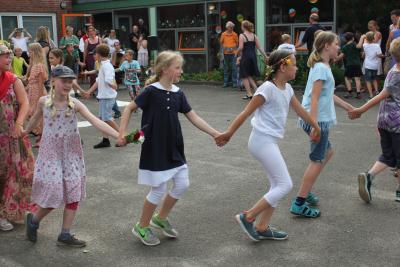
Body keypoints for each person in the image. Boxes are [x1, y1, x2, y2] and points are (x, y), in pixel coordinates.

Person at [215, 50, 320, 241]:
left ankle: (262, 227)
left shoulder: (287, 89)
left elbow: (300, 111)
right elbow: (246, 112)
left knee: (276, 185)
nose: (297, 67)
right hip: (261, 141)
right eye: (294, 64)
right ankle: (248, 217)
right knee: (285, 184)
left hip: (268, 141)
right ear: (282, 66)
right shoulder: (267, 89)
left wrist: (315, 125)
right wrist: (228, 133)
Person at [117, 51, 220, 246]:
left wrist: (215, 133)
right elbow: (129, 108)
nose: (181, 71)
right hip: (154, 145)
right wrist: (123, 134)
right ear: (164, 69)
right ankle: (142, 225)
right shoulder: (150, 91)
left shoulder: (178, 93)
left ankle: (160, 218)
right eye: (178, 67)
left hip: (174, 145)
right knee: (159, 189)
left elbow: (193, 116)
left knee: (182, 184)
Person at [24, 66, 119, 247]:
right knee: (54, 192)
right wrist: (25, 132)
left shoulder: (75, 104)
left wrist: (119, 135)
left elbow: (96, 121)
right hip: (51, 153)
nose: (68, 84)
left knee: (73, 191)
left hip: (71, 154)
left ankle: (65, 234)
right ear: (53, 81)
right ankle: (33, 221)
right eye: (64, 80)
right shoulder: (44, 102)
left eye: (70, 81)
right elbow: (35, 119)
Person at [289, 32, 355, 218]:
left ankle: (306, 189)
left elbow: (327, 94)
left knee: (327, 152)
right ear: (326, 45)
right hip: (317, 121)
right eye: (336, 44)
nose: (338, 47)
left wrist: (348, 106)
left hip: (317, 120)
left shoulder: (323, 66)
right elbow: (315, 98)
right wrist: (315, 126)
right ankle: (299, 203)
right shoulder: (321, 68)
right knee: (317, 160)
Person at [349, 38, 400, 203]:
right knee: (397, 158)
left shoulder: (393, 70)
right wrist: (361, 110)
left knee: (388, 155)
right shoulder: (396, 76)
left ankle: (368, 176)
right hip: (396, 123)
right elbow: (381, 95)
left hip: (384, 121)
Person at [0, 45, 36, 231]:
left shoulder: (13, 80)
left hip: (11, 137)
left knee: (11, 174)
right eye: (5, 57)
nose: (9, 59)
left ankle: (3, 213)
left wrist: (19, 124)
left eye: (8, 56)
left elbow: (24, 102)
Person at [84, 44, 119, 148]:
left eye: (95, 54)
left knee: (107, 118)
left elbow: (109, 79)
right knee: (103, 118)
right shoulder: (103, 65)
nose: (94, 56)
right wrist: (89, 91)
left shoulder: (106, 66)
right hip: (105, 96)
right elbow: (99, 81)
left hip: (107, 97)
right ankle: (105, 139)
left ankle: (122, 135)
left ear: (98, 55)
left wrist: (113, 85)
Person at [237, 20, 268, 100]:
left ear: (244, 27)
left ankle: (249, 93)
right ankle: (256, 90)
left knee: (244, 75)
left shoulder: (242, 35)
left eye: (241, 26)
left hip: (245, 57)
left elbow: (241, 48)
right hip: (253, 57)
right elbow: (260, 47)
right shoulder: (254, 35)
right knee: (249, 75)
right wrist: (265, 56)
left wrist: (237, 54)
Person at [26, 42, 48, 147]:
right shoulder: (34, 65)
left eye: (30, 51)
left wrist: (40, 97)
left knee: (38, 115)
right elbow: (31, 81)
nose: (28, 53)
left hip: (37, 93)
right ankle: (40, 136)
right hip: (32, 92)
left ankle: (42, 137)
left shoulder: (39, 66)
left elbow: (40, 84)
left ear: (35, 52)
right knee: (33, 114)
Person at [357, 32, 385, 99]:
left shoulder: (365, 45)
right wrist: (385, 56)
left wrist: (362, 37)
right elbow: (379, 55)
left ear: (366, 38)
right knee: (374, 79)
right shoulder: (377, 46)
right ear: (373, 38)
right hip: (375, 66)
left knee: (368, 80)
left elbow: (358, 46)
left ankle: (371, 94)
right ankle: (377, 91)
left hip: (367, 65)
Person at [337, 32, 363, 99]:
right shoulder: (354, 44)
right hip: (357, 64)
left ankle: (350, 92)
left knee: (347, 77)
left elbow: (340, 56)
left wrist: (334, 59)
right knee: (357, 78)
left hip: (349, 64)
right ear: (353, 38)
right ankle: (358, 93)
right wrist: (362, 38)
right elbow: (359, 46)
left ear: (345, 39)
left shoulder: (344, 47)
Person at [220, 21, 239, 88]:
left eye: (232, 27)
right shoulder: (223, 34)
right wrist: (225, 48)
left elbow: (237, 43)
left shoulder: (235, 34)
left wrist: (233, 48)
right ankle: (226, 82)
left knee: (234, 68)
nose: (231, 29)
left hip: (233, 53)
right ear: (227, 27)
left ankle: (234, 83)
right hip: (225, 53)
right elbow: (221, 43)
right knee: (226, 68)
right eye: (230, 27)